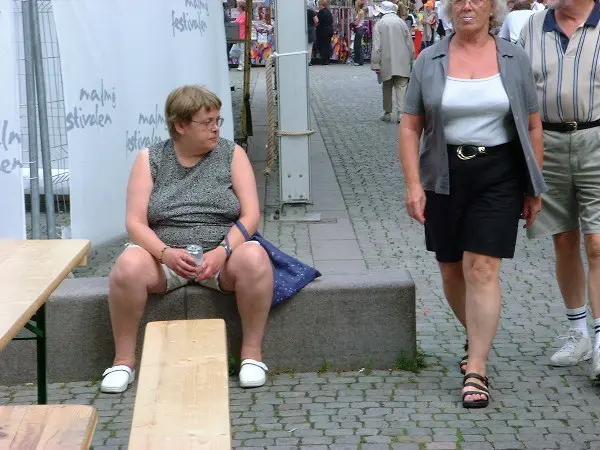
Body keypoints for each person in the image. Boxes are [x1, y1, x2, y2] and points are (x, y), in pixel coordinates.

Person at [399, 0, 546, 408]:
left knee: (480, 267)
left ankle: (477, 367)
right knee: (450, 268)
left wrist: (535, 184)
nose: (468, 5)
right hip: (443, 173)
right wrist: (414, 185)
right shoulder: (429, 59)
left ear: (492, 9)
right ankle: (477, 334)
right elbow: (410, 127)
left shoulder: (514, 59)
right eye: (459, 0)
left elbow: (533, 125)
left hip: (499, 172)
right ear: (449, 10)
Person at [99, 86, 275, 393]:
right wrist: (165, 253)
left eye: (218, 120)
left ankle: (251, 356)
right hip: (164, 256)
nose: (216, 128)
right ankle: (123, 361)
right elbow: (135, 222)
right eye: (206, 122)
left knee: (256, 257)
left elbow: (250, 216)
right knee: (127, 264)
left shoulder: (232, 154)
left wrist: (223, 251)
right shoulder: (150, 159)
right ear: (181, 126)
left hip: (222, 256)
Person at [518, 0, 600, 381]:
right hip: (546, 143)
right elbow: (516, 89)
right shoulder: (533, 27)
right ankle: (578, 330)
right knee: (563, 238)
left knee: (597, 243)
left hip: (596, 138)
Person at [372, 1, 414, 124]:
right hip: (402, 59)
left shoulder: (379, 24)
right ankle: (401, 113)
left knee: (387, 86)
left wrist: (375, 63)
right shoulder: (401, 22)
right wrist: (412, 58)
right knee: (401, 86)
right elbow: (409, 43)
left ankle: (387, 112)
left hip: (386, 60)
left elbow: (376, 46)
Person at [229, 1, 248, 71]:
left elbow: (246, 24)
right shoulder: (240, 15)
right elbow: (237, 22)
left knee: (242, 51)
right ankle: (242, 64)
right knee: (237, 51)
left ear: (241, 7)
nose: (236, 7)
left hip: (243, 35)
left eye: (237, 6)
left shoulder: (245, 15)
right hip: (238, 36)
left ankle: (241, 65)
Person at [316, 0, 334, 65]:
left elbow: (317, 21)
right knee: (327, 45)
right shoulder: (328, 12)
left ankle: (324, 60)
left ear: (321, 4)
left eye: (318, 4)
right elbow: (331, 21)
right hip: (329, 30)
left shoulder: (321, 12)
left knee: (322, 45)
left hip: (323, 30)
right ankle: (327, 59)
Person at [353, 0, 367, 65]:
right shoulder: (360, 11)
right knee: (357, 44)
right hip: (359, 29)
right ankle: (358, 60)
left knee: (357, 45)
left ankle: (359, 61)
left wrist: (353, 23)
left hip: (359, 29)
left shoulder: (360, 12)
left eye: (356, 4)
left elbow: (356, 22)